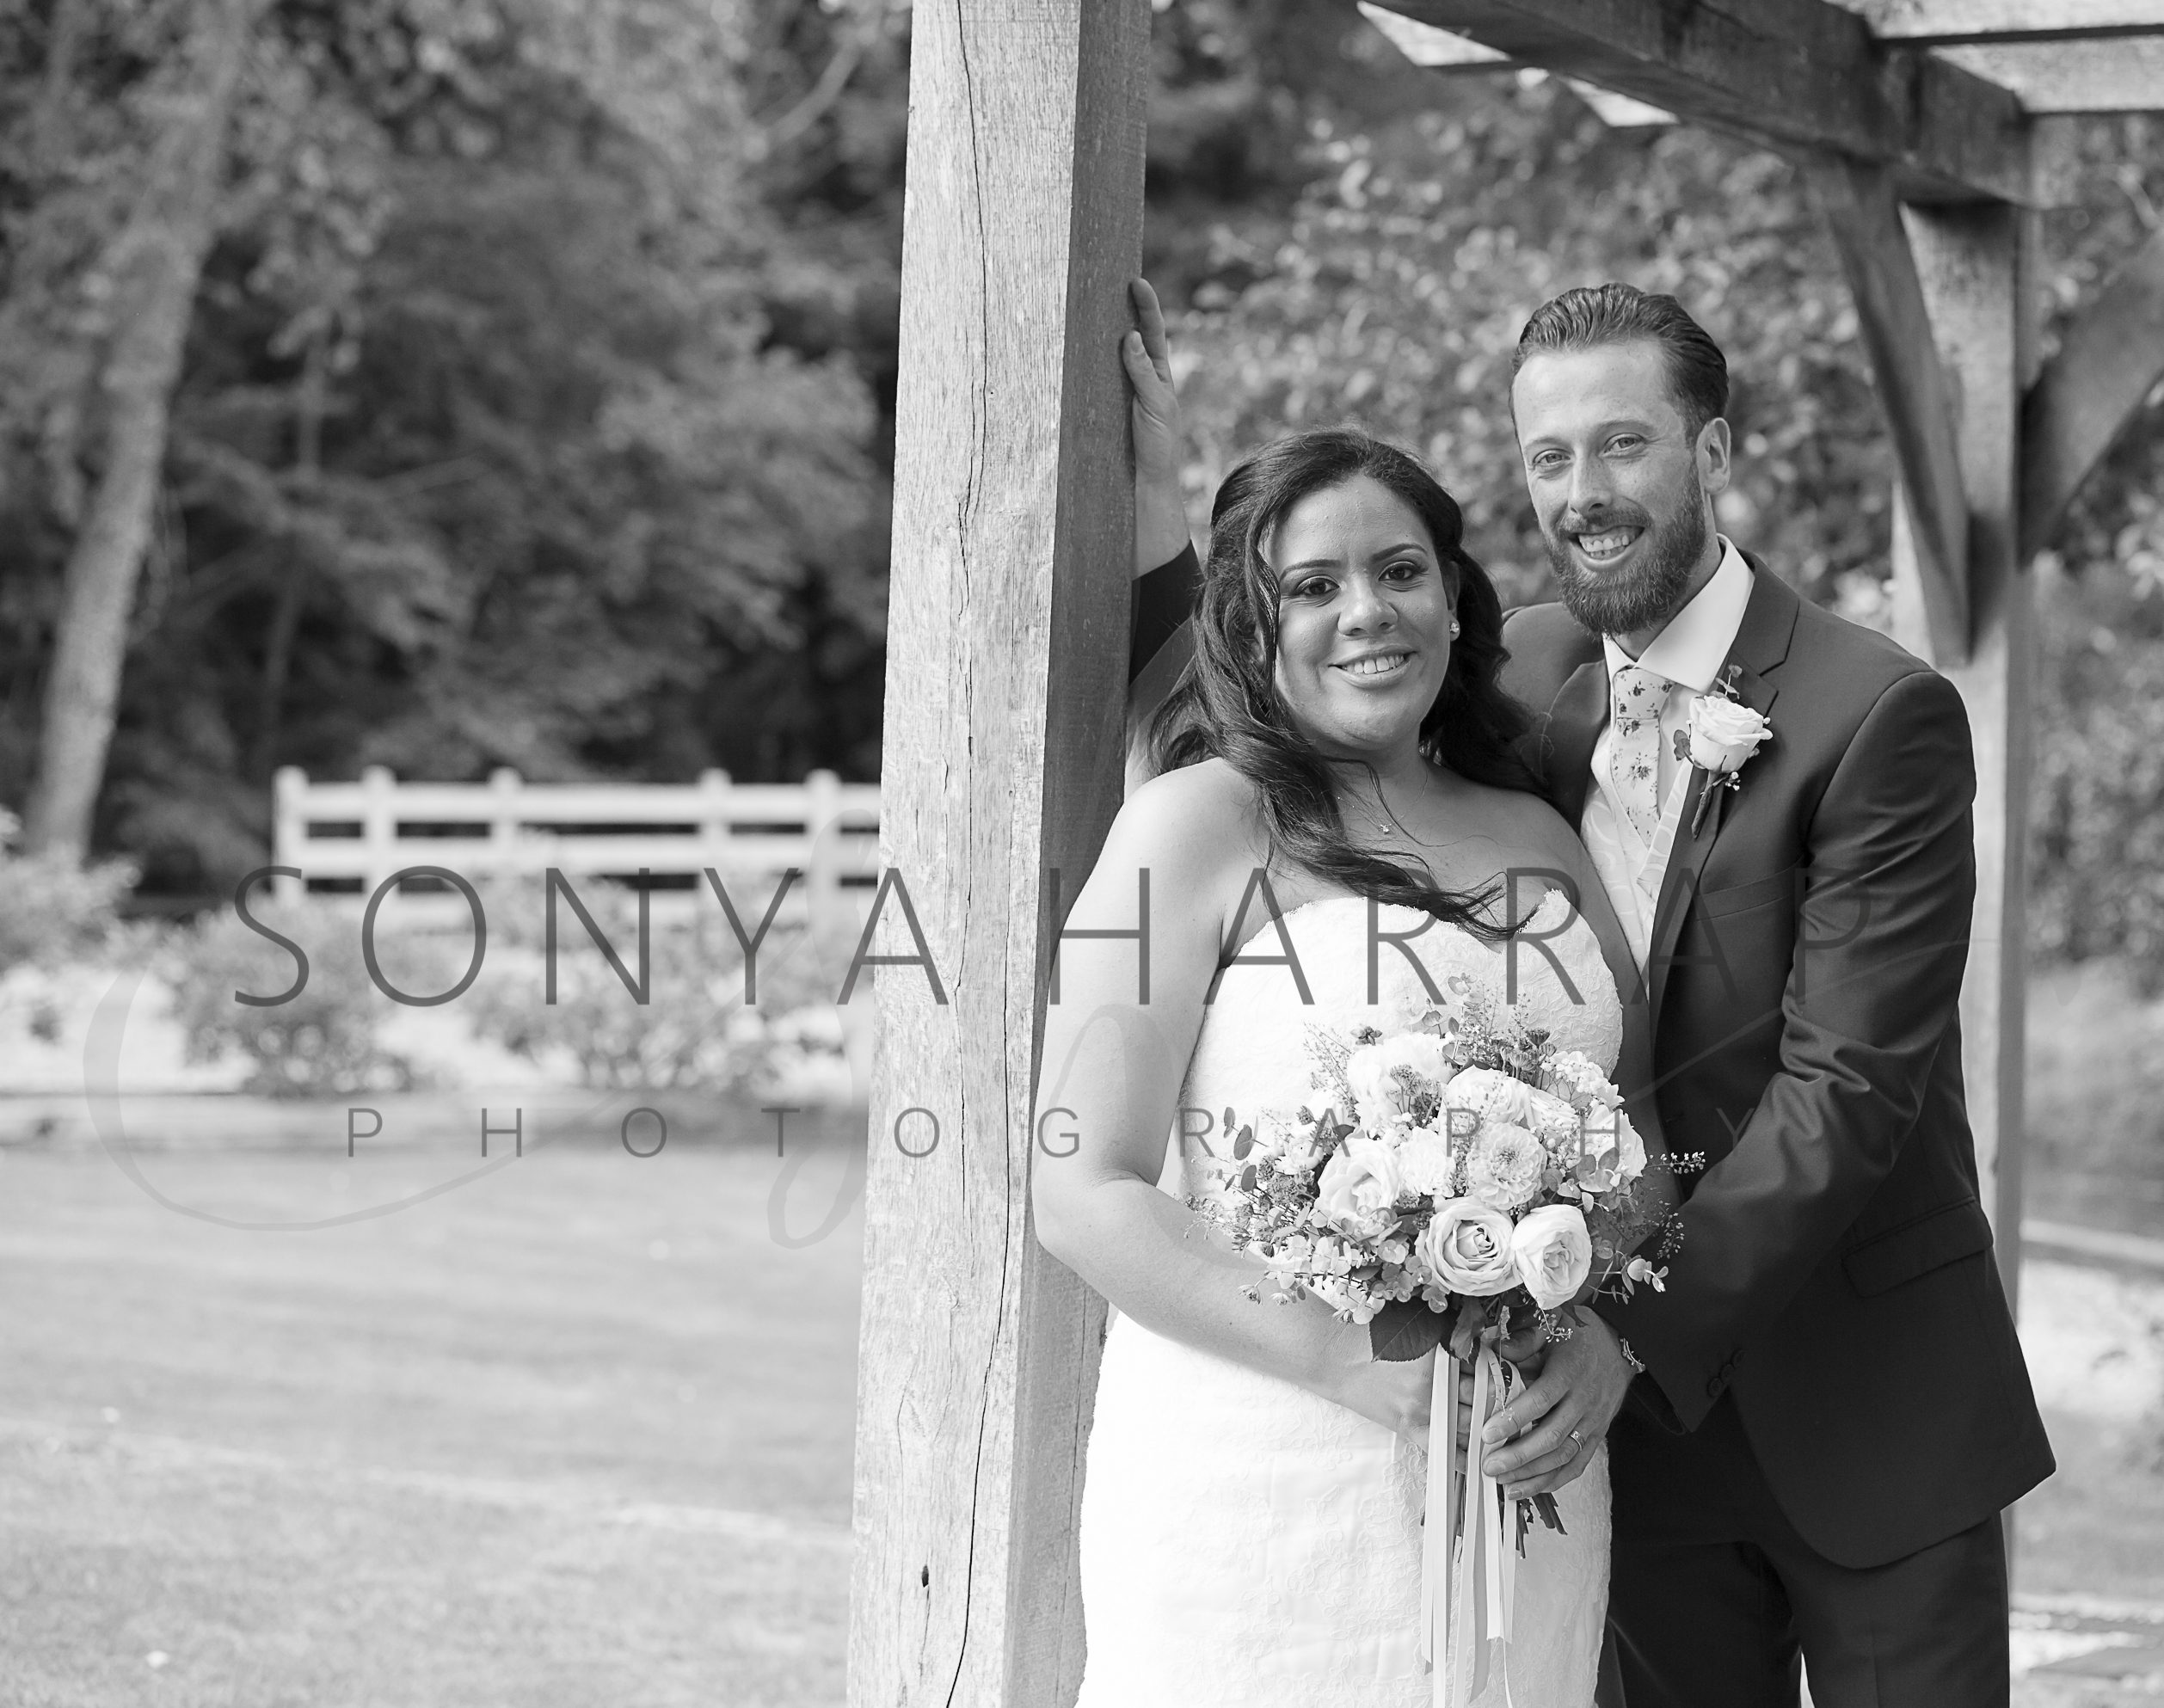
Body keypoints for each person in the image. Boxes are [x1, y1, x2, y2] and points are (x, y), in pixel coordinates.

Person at [1118, 278, 2056, 1706]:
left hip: (1863, 1399)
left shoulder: (1880, 713)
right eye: (1549, 458)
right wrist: (1164, 520)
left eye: (1622, 445)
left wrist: (1629, 1332)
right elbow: (1292, 692)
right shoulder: (1531, 672)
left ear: (1715, 451)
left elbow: (1848, 1087)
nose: (1583, 493)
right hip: (1620, 1446)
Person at [1034, 418, 1660, 1706]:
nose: (1365, 611)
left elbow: (1635, 1150)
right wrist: (1348, 1360)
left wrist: (1606, 1335)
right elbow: (1079, 1187)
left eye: (1400, 570)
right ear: (1252, 628)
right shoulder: (1190, 825)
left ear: (1452, 594)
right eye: (1311, 587)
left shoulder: (1540, 833)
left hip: (1523, 1470)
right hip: (1260, 1475)